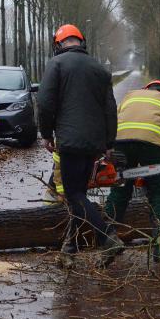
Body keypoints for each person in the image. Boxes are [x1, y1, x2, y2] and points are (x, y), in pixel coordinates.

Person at [37, 24, 124, 267]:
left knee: (73, 194)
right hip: (94, 142)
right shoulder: (100, 69)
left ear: (58, 44)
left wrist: (46, 133)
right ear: (81, 42)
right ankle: (70, 247)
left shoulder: (57, 65)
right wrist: (108, 142)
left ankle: (107, 236)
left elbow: (44, 103)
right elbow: (110, 109)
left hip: (70, 142)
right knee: (80, 195)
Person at [105, 80, 160, 262]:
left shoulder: (130, 96)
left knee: (119, 190)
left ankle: (107, 240)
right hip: (153, 145)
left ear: (146, 89)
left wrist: (109, 148)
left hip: (121, 143)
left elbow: (115, 120)